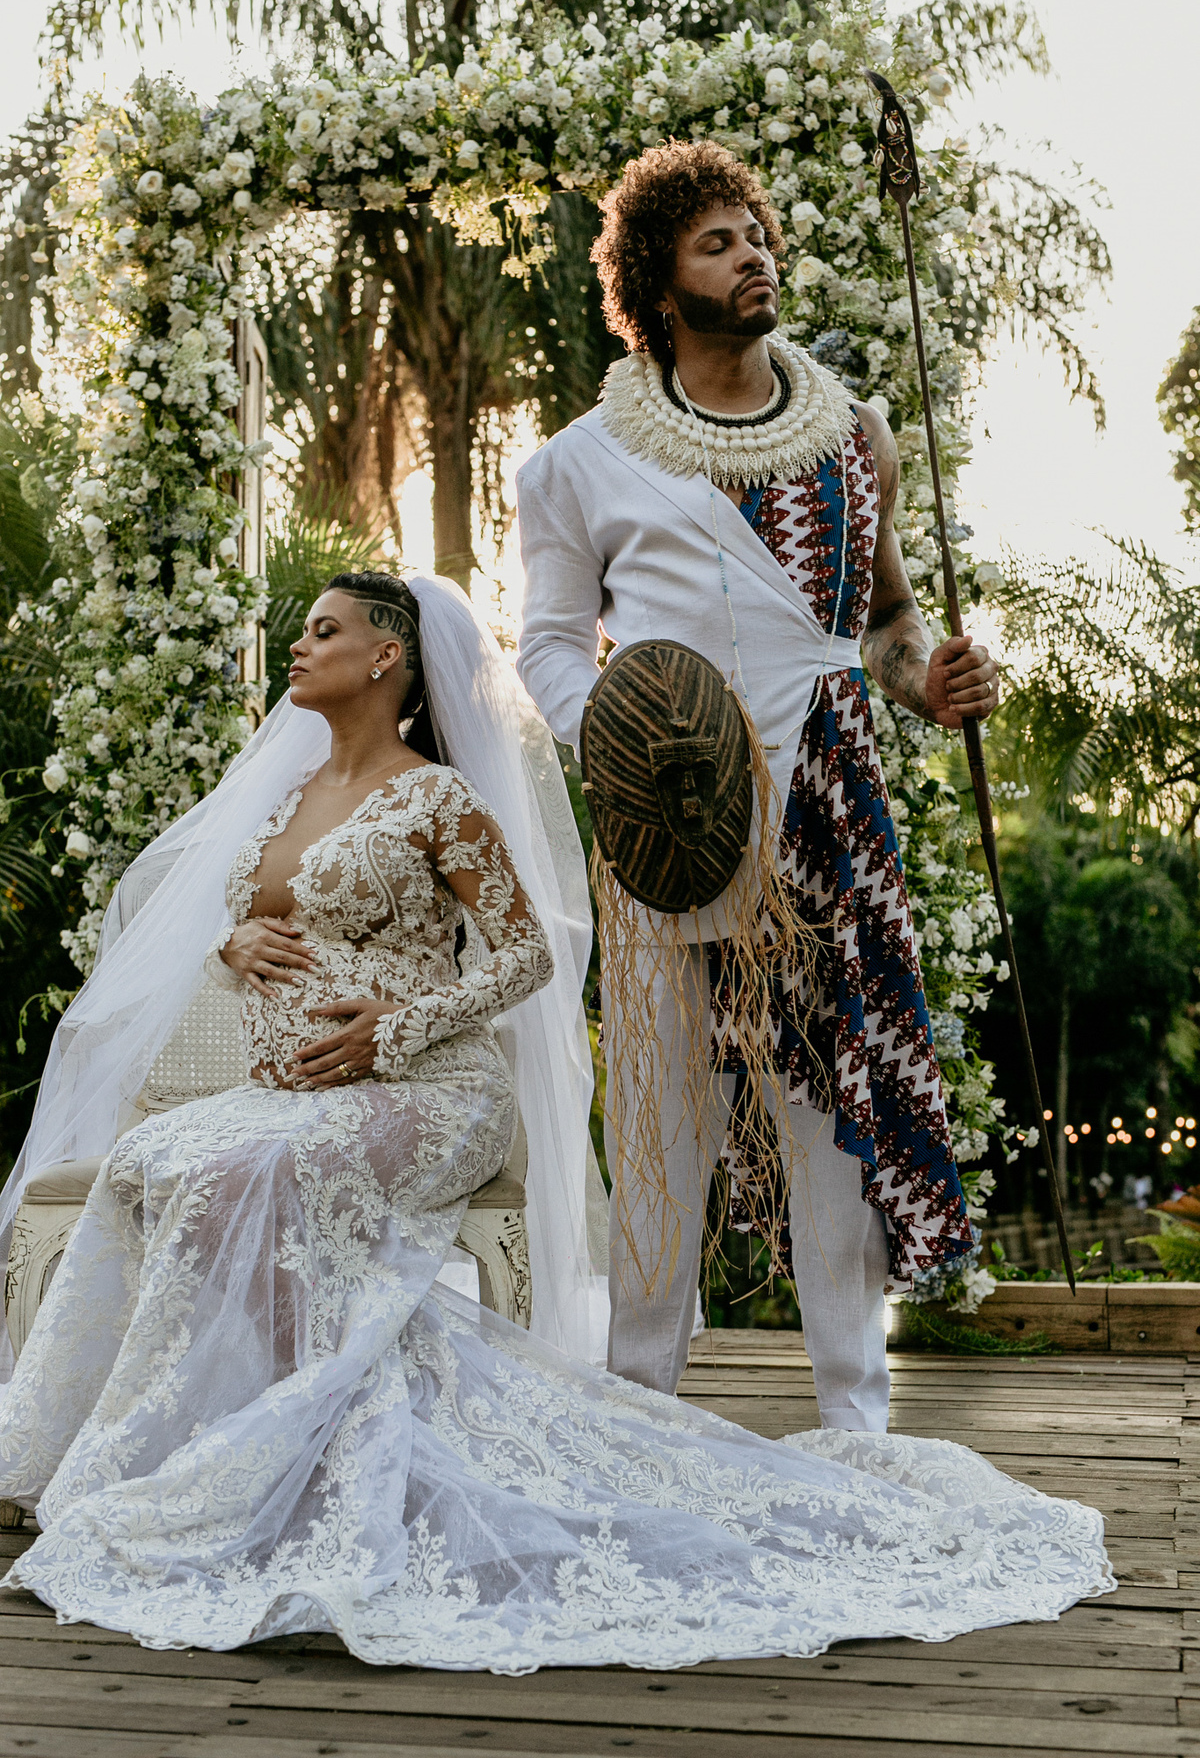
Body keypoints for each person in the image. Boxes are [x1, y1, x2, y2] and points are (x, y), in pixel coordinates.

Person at [0, 567, 1109, 1666]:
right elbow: (244, 927)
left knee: (253, 1173)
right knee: (154, 1154)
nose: (300, 647)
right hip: (289, 1090)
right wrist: (228, 944)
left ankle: (289, 1455)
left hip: (429, 1090)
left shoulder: (436, 798)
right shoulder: (285, 802)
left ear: (386, 657)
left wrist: (393, 1025)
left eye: (325, 631)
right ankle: (215, 1446)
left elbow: (529, 956)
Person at [516, 141, 999, 1428]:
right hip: (670, 829)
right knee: (667, 1120)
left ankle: (860, 1417)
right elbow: (554, 645)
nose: (753, 256)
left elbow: (887, 622)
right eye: (718, 242)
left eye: (757, 235)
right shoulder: (581, 461)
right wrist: (623, 747)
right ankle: (640, 1411)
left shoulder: (852, 434)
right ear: (658, 287)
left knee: (824, 1105)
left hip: (826, 805)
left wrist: (926, 681)